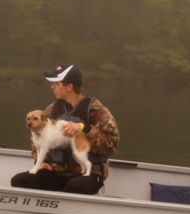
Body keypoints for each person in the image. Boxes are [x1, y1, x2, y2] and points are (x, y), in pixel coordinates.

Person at [11, 65, 120, 194]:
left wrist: (85, 128)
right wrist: (40, 162)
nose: (52, 87)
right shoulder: (51, 110)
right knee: (19, 180)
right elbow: (36, 139)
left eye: (56, 84)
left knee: (75, 186)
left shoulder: (96, 109)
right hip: (56, 172)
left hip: (88, 174)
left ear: (69, 87)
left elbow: (111, 145)